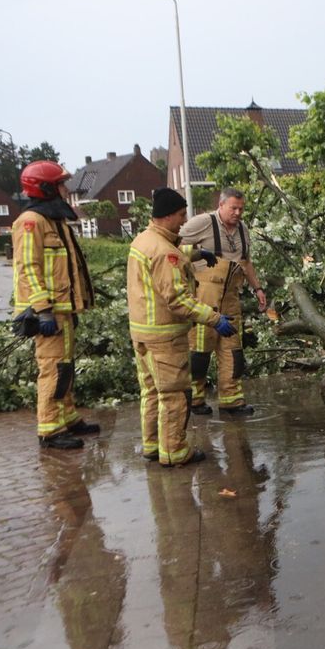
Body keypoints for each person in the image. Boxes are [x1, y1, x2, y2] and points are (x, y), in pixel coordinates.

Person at [128, 187, 235, 467]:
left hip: (142, 333)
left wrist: (197, 253)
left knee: (151, 393)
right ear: (167, 216)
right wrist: (214, 318)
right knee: (175, 396)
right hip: (165, 336)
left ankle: (153, 445)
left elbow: (174, 249)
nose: (183, 220)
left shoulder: (144, 240)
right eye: (180, 215)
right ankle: (175, 451)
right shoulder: (165, 253)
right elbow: (178, 300)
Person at [11, 160, 98, 449]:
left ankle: (68, 417)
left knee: (66, 366)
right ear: (46, 187)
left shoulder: (55, 221)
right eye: (61, 184)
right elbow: (27, 268)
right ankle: (50, 429)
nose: (66, 188)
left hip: (64, 309)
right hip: (48, 313)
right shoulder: (30, 222)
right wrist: (42, 308)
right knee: (52, 369)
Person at [179, 188, 266, 417]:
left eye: (241, 209)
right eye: (233, 208)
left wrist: (257, 288)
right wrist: (195, 257)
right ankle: (195, 400)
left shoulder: (242, 230)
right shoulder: (202, 223)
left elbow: (245, 262)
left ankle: (231, 400)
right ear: (221, 205)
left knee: (232, 349)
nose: (238, 213)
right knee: (199, 350)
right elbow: (172, 246)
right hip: (204, 296)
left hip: (230, 296)